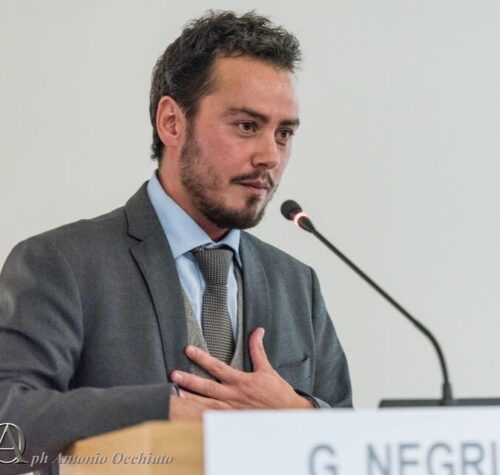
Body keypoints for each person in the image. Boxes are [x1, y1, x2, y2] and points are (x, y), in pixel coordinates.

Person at [0, 10, 351, 475]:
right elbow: (8, 426)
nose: (270, 156)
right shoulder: (62, 263)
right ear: (171, 123)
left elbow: (353, 444)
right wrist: (163, 409)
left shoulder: (296, 284)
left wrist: (299, 414)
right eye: (247, 126)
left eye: (284, 133)